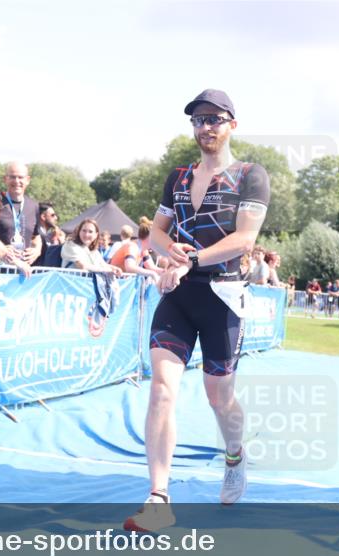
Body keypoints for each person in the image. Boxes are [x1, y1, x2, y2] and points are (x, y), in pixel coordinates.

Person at [124, 89, 270, 532]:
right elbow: (157, 236)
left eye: (214, 119)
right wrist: (170, 257)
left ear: (232, 125)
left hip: (223, 297)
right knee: (162, 389)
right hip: (179, 297)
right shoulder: (178, 176)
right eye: (198, 120)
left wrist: (188, 260)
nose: (205, 127)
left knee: (218, 397)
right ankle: (158, 498)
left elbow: (244, 240)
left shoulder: (250, 175)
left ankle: (234, 454)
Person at [0, 161, 42, 265]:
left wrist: (37, 250)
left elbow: (36, 236)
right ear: (5, 179)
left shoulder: (34, 206)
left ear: (27, 180)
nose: (16, 181)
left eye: (20, 177)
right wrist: (1, 249)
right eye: (12, 177)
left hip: (22, 272)